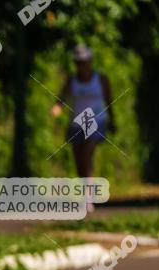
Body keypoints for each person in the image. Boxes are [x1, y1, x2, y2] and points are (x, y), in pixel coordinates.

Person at [50, 43, 116, 212]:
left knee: (86, 156)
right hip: (76, 124)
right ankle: (86, 194)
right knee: (80, 162)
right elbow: (61, 99)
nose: (81, 65)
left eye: (83, 61)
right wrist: (56, 109)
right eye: (77, 62)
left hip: (97, 122)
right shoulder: (72, 81)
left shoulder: (101, 79)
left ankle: (87, 198)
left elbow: (109, 101)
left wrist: (113, 121)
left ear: (90, 61)